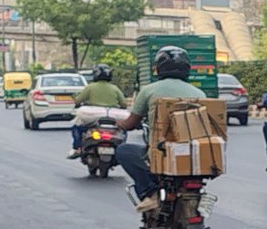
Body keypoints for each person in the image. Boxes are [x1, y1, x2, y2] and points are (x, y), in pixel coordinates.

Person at [113, 46, 205, 211]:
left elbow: (130, 123)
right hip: (195, 156)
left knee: (123, 151)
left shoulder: (149, 90)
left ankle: (151, 192)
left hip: (162, 153)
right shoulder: (200, 93)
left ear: (158, 68)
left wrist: (119, 123)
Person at [67, 64, 128, 158]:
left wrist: (77, 103)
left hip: (92, 114)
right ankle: (122, 147)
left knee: (76, 127)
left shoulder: (90, 87)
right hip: (113, 115)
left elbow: (78, 100)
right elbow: (124, 104)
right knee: (123, 130)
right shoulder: (114, 88)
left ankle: (77, 148)